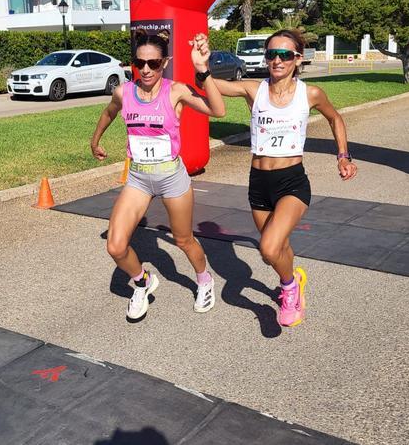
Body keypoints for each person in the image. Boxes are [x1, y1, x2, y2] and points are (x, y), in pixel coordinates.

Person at [214, 29, 358, 327]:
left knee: (268, 249)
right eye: (271, 54)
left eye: (285, 54)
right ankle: (292, 279)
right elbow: (213, 86)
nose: (277, 60)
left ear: (297, 58)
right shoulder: (255, 90)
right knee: (278, 248)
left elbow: (335, 118)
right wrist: (201, 66)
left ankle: (289, 288)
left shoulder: (311, 93)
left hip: (292, 182)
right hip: (258, 183)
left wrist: (343, 155)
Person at [90, 31, 226, 320]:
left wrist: (203, 70)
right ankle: (143, 282)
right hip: (139, 177)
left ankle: (205, 280)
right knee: (115, 245)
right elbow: (109, 112)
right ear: (134, 64)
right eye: (141, 64)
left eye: (154, 63)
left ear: (165, 62)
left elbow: (218, 110)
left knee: (183, 239)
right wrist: (95, 140)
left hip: (171, 176)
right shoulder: (123, 92)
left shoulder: (175, 90)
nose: (147, 69)